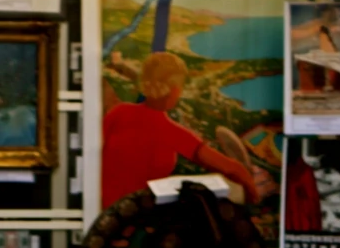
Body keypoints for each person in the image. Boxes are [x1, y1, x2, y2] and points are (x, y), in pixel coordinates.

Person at [100, 50, 261, 209]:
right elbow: (231, 168)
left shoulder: (119, 112)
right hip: (141, 215)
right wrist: (253, 194)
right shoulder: (171, 131)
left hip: (108, 214)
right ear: (175, 90)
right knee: (222, 188)